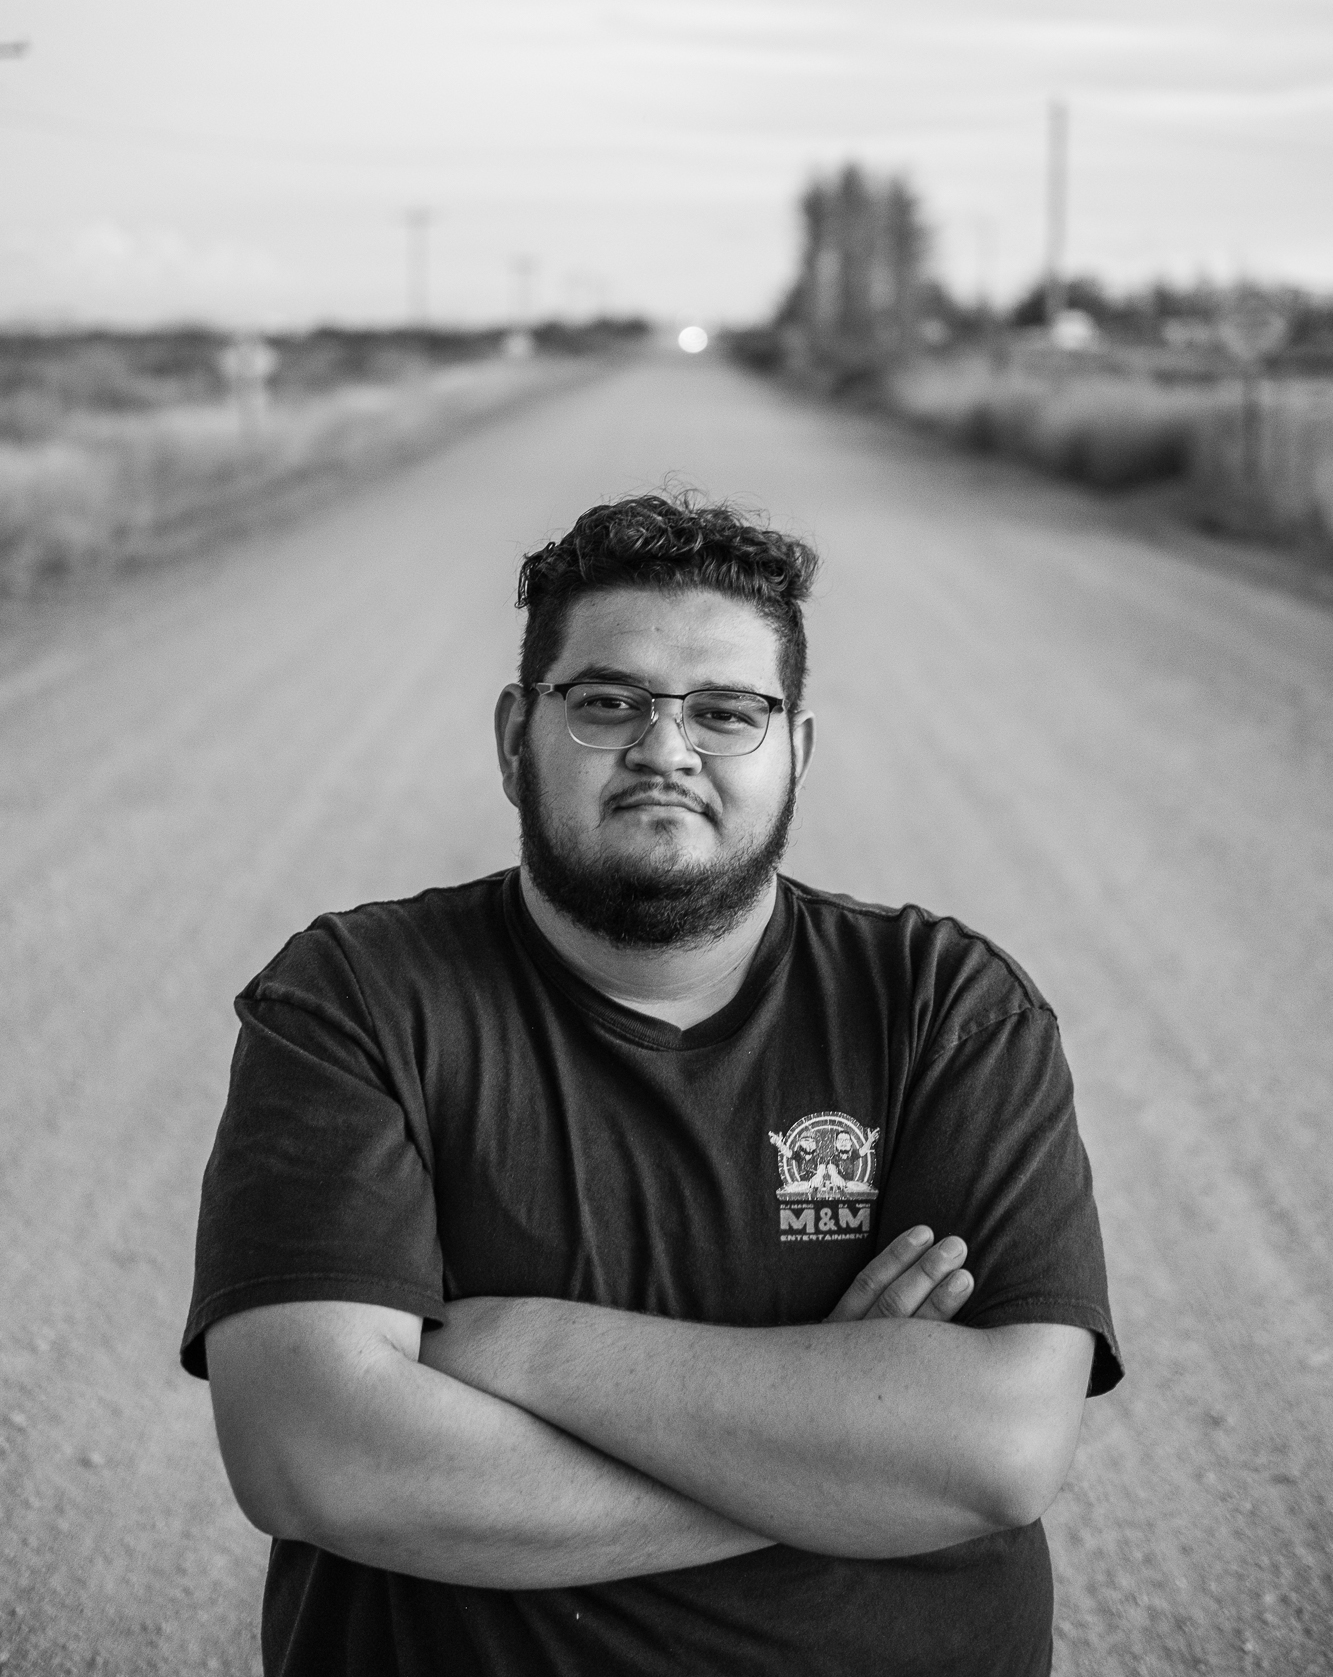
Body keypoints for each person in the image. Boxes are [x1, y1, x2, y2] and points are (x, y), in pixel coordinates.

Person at [183, 491, 1122, 1677]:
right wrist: (842, 1454)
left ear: (799, 750)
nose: (665, 748)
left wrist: (526, 1348)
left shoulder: (945, 1005)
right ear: (515, 735)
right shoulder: (358, 998)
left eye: (727, 710)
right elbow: (314, 1457)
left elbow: (996, 1450)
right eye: (609, 701)